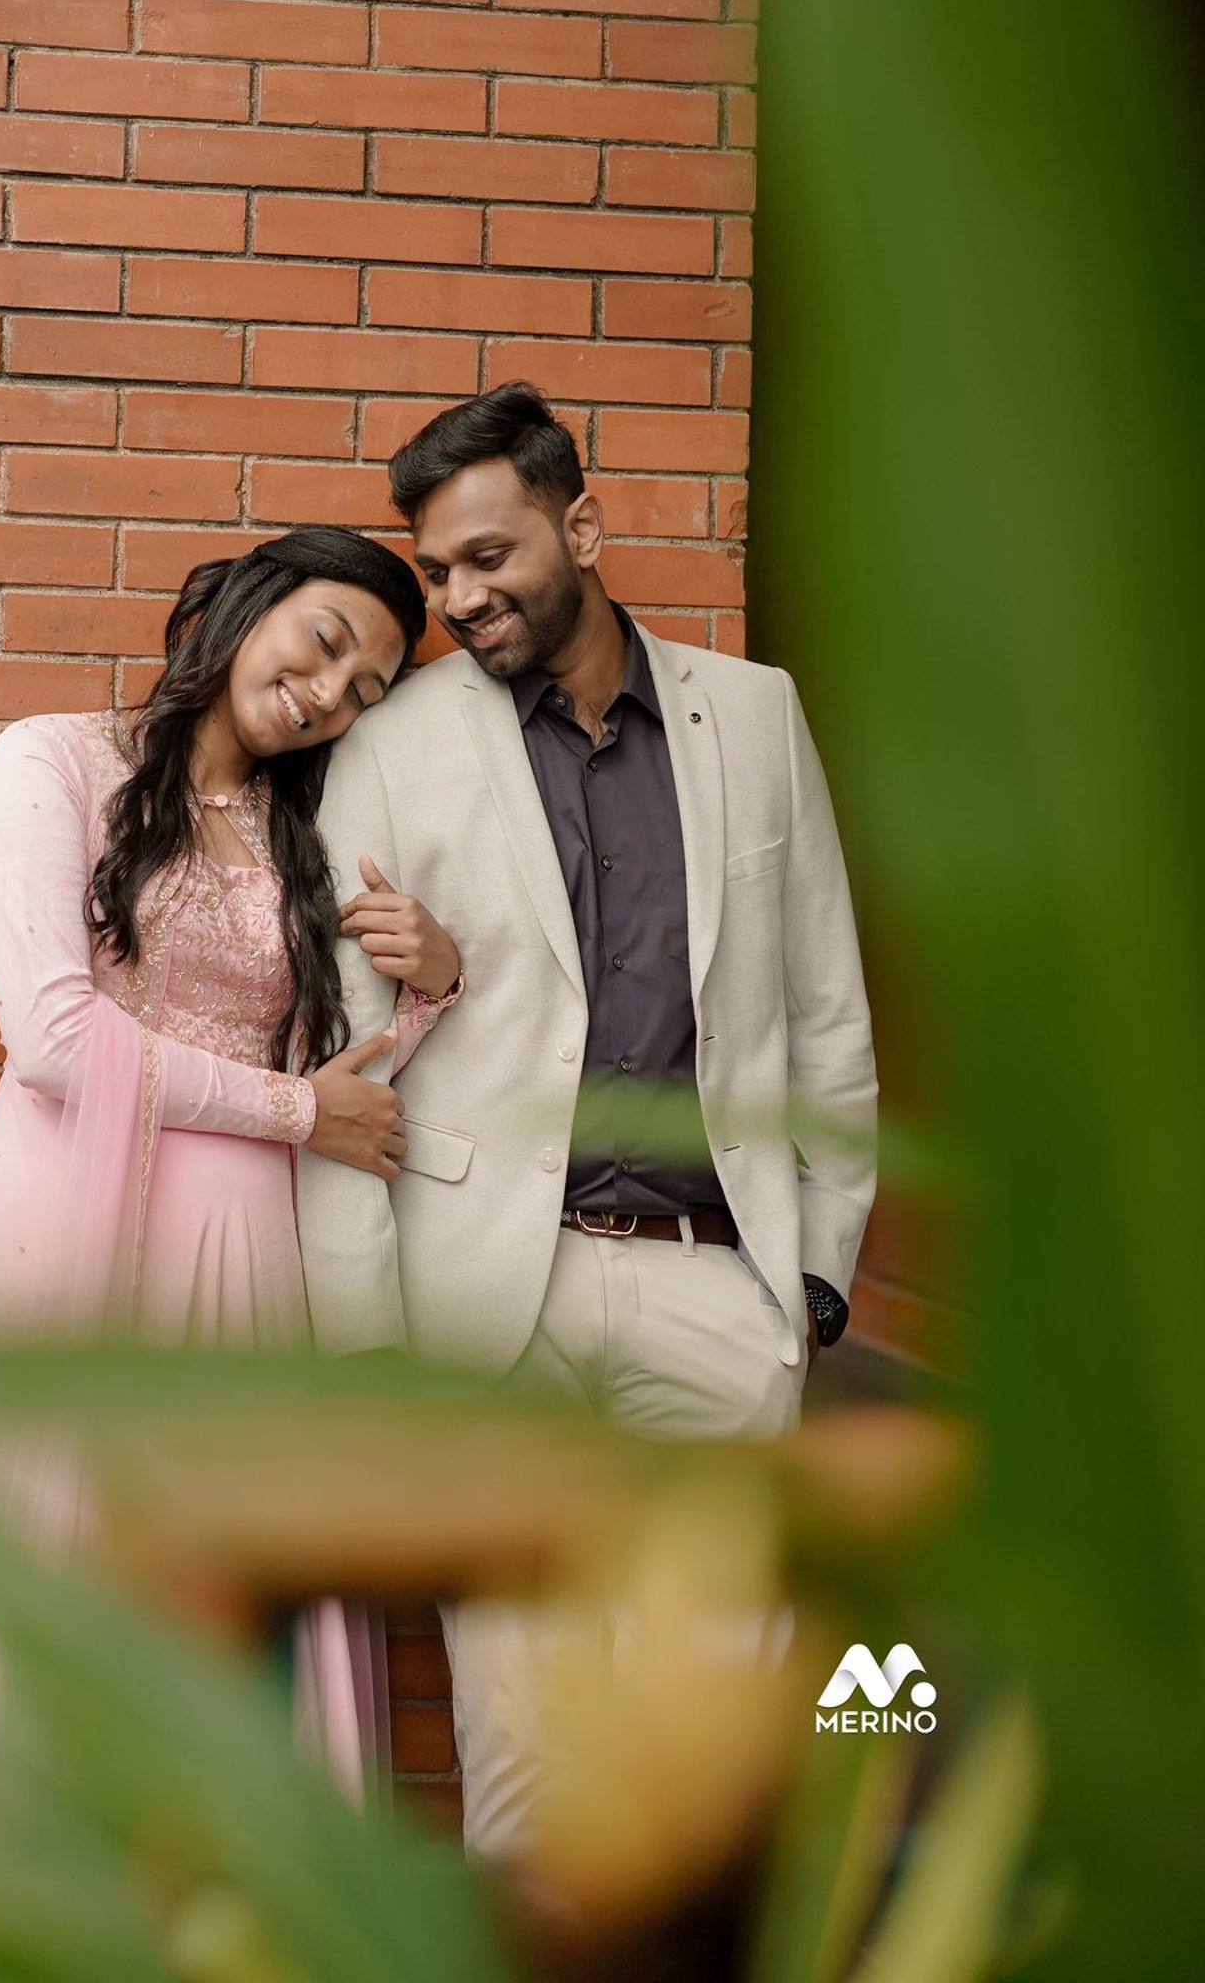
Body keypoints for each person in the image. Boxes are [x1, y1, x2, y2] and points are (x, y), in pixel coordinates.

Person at [0, 526, 462, 1981]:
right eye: (325, 642)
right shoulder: (50, 763)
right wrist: (291, 1111)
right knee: (31, 1605)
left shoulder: (294, 835)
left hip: (246, 1268)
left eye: (370, 685)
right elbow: (54, 1036)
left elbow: (343, 1085)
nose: (334, 690)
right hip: (67, 1239)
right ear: (245, 606)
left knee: (220, 1629)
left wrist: (435, 991)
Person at [297, 385, 877, 1865]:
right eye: (436, 573)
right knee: (524, 1766)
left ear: (584, 527)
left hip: (717, 1287)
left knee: (720, 1754)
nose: (460, 596)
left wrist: (812, 1281)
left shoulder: (756, 716)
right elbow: (347, 1071)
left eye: (488, 557)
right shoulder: (396, 745)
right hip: (499, 1307)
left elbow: (826, 1016)